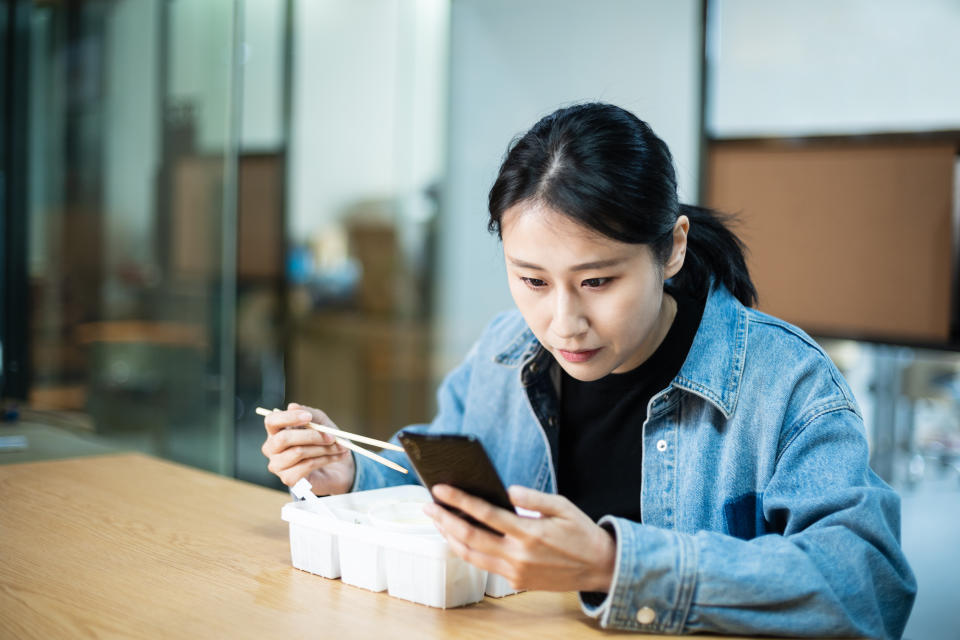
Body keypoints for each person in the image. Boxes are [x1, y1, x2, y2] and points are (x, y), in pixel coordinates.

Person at [262, 103, 915, 638]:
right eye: (532, 280)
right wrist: (351, 471)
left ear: (673, 249)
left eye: (598, 281)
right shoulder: (502, 351)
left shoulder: (785, 383)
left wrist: (613, 564)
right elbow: (448, 481)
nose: (562, 321)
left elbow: (868, 586)